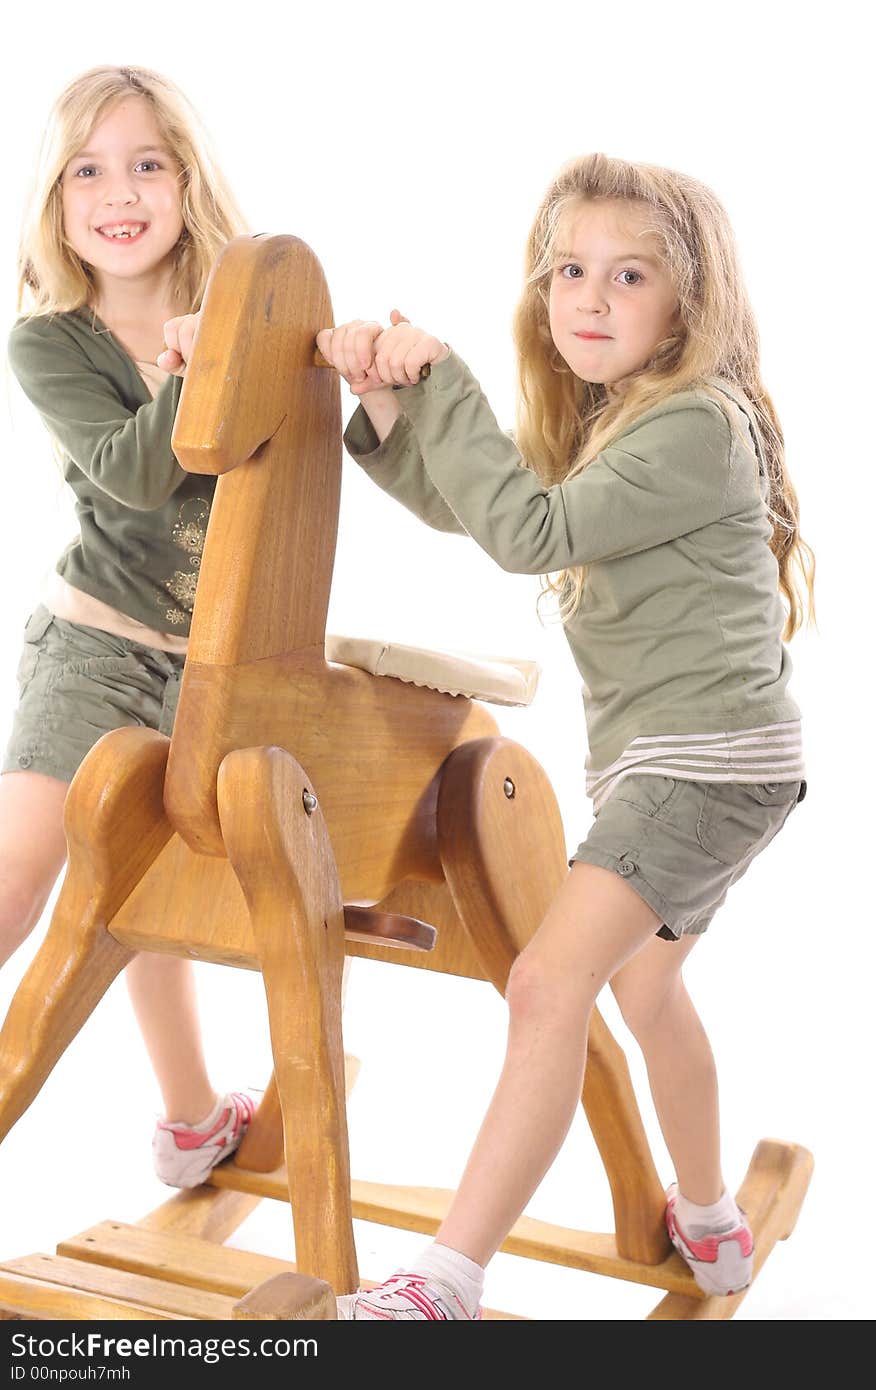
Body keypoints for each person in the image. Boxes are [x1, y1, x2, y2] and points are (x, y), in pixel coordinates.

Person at [313, 152, 815, 1316]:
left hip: (702, 764)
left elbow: (525, 530)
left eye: (627, 275)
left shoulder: (693, 425)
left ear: (688, 305)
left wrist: (445, 383)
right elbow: (466, 501)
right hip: (705, 762)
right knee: (641, 993)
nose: (587, 298)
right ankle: (709, 1218)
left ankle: (440, 1284)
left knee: (547, 982)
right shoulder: (620, 420)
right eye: (567, 270)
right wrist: (389, 396)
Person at [3, 66, 255, 1188]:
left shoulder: (245, 312)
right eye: (88, 171)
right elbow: (133, 481)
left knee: (150, 894)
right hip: (98, 648)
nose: (120, 191)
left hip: (216, 665)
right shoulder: (52, 340)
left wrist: (370, 374)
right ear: (58, 202)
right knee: (23, 874)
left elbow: (315, 454)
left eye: (148, 162)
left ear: (187, 181)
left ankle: (194, 1120)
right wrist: (186, 373)